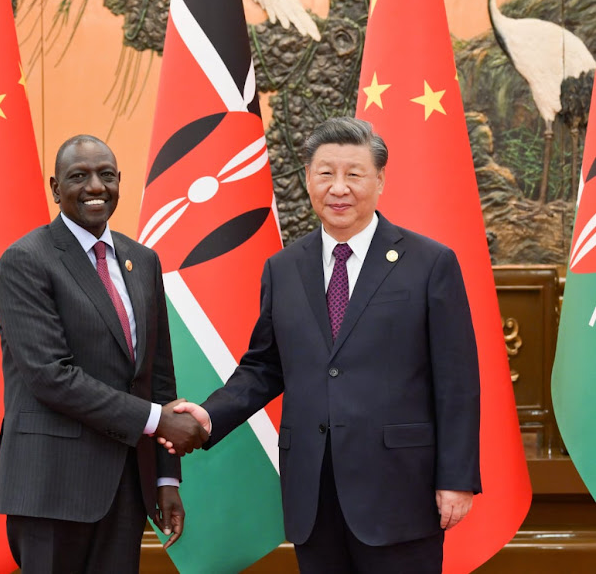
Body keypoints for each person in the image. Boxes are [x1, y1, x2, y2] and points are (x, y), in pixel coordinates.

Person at [161, 117, 481, 573]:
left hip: (399, 490)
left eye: (354, 174)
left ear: (381, 180)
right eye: (326, 173)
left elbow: (457, 381)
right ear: (307, 180)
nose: (339, 188)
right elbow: (265, 367)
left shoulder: (430, 263)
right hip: (313, 490)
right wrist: (211, 414)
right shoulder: (284, 268)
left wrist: (457, 478)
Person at [0, 134, 208, 573]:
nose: (94, 187)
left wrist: (165, 478)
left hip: (124, 486)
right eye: (78, 176)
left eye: (106, 175)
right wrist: (156, 420)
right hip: (52, 485)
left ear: (119, 182)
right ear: (55, 188)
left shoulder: (141, 261)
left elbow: (157, 376)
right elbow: (51, 375)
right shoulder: (26, 260)